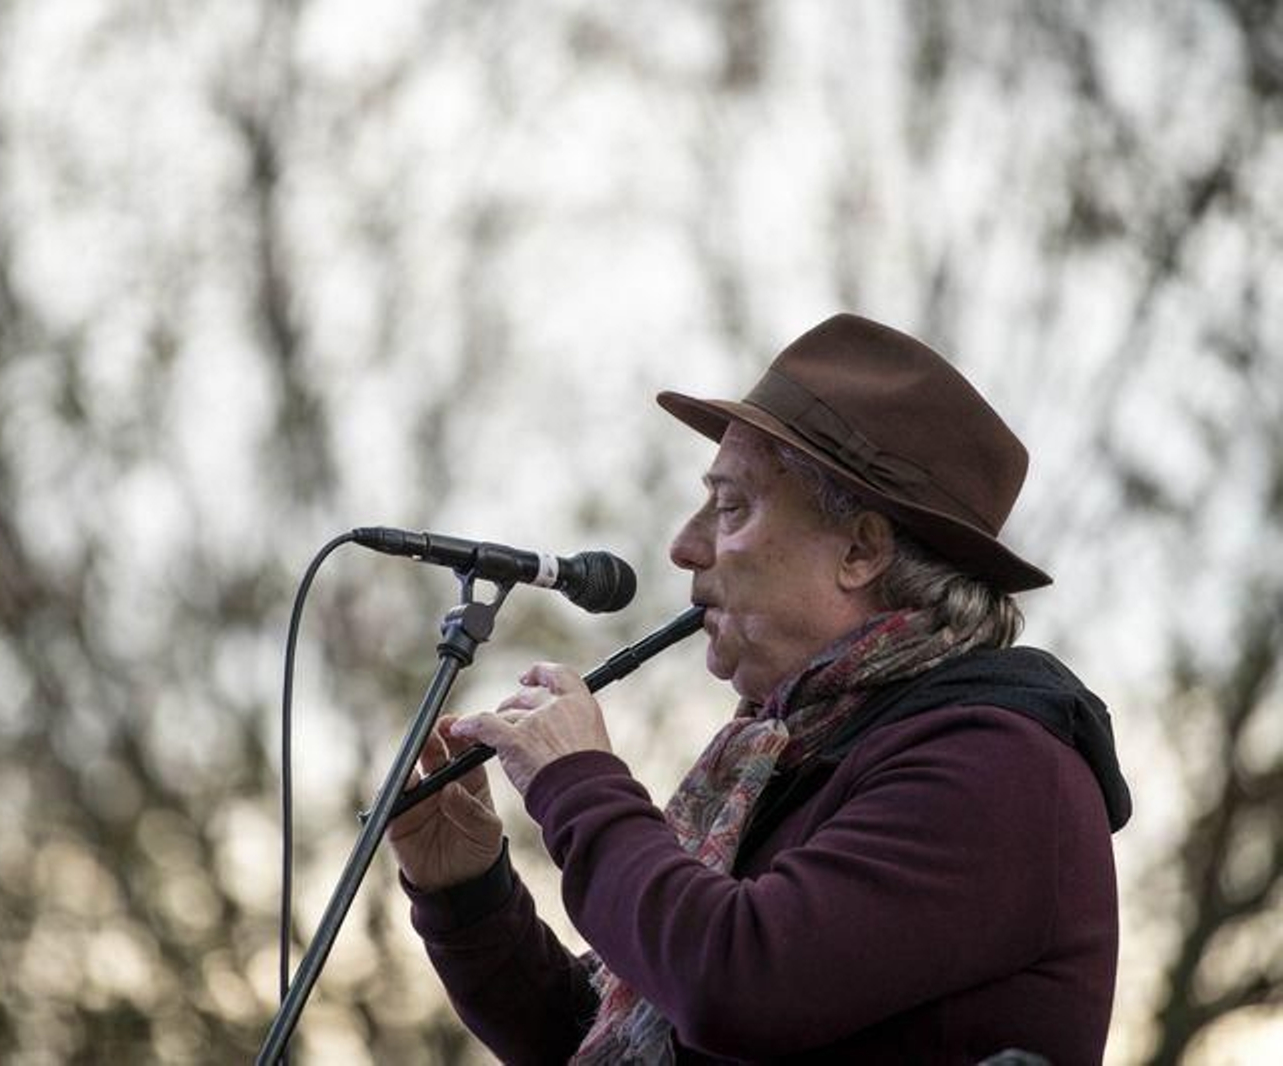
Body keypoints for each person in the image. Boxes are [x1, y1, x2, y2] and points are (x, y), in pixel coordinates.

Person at [388, 313, 1131, 1065]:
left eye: (732, 505)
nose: (685, 546)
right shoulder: (792, 757)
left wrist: (579, 786)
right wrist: (467, 892)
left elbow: (734, 985)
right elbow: (601, 1038)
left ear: (860, 551)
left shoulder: (997, 767)